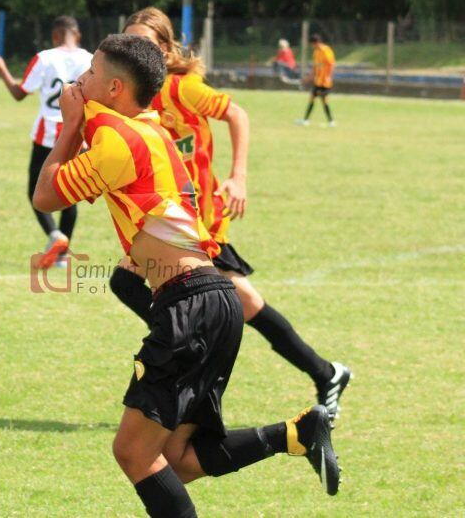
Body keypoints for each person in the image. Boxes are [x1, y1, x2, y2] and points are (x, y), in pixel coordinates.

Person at [32, 34, 340, 517]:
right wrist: (84, 118)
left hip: (189, 303)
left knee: (132, 453)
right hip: (215, 300)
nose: (80, 79)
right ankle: (296, 434)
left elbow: (45, 197)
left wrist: (70, 125)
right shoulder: (151, 127)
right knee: (174, 460)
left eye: (90, 72)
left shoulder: (118, 140)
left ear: (114, 88)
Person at [116, 7, 351, 423]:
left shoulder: (182, 87)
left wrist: (238, 177)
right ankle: (324, 372)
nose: (138, 52)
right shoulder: (135, 95)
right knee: (241, 305)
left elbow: (236, 114)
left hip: (200, 220)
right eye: (130, 43)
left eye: (146, 45)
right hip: (173, 220)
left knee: (139, 283)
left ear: (167, 50)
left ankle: (190, 355)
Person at [0, 16, 92, 268]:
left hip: (47, 135)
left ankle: (55, 235)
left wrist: (1, 69)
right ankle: (63, 256)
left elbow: (20, 94)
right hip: (76, 134)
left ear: (55, 36)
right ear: (77, 35)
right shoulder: (90, 60)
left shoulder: (44, 57)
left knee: (35, 190)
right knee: (69, 193)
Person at [296, 33, 336, 127]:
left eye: (313, 44)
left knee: (324, 101)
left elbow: (331, 64)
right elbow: (315, 68)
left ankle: (331, 121)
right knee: (312, 99)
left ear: (317, 42)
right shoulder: (316, 52)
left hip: (325, 82)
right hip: (318, 81)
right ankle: (306, 120)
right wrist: (307, 79)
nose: (312, 46)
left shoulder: (326, 50)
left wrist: (329, 76)